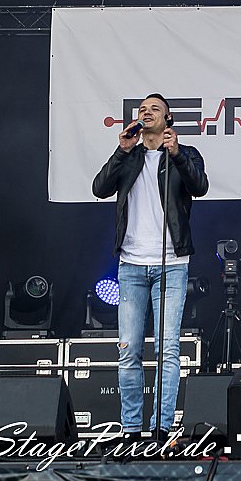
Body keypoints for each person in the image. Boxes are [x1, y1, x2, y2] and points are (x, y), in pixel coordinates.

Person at [92, 93, 209, 440]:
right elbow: (99, 188)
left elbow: (200, 187)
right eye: (142, 109)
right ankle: (131, 429)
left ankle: (161, 427)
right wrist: (121, 150)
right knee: (128, 349)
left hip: (172, 263)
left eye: (154, 109)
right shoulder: (129, 156)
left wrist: (176, 154)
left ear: (168, 119)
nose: (146, 112)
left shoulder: (186, 154)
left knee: (166, 349)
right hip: (131, 264)